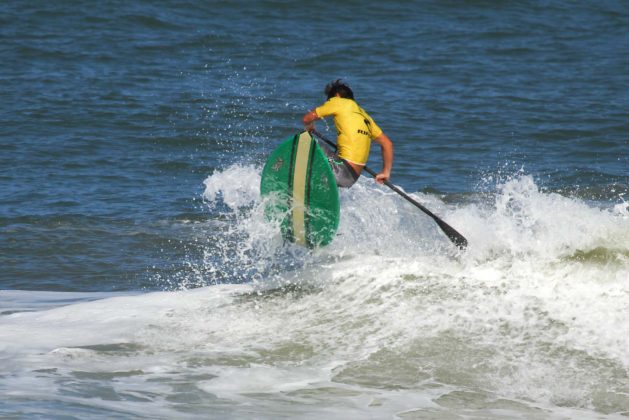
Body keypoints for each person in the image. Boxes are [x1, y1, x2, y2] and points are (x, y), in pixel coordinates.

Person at [302, 79, 394, 188]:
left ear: (336, 95)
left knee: (305, 140)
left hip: (340, 169)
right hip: (351, 178)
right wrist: (385, 172)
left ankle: (299, 182)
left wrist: (310, 128)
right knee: (332, 154)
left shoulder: (338, 101)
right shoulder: (365, 116)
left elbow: (307, 118)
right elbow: (387, 144)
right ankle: (318, 189)